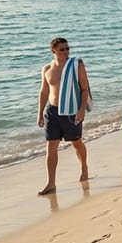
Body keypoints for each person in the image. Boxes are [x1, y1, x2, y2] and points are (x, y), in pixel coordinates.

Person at [36, 37, 90, 195]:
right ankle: (51, 183)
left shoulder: (76, 65)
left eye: (67, 48)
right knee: (51, 146)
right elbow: (44, 91)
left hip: (71, 110)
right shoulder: (47, 69)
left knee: (76, 142)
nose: (66, 52)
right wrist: (39, 113)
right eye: (62, 49)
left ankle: (84, 167)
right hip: (52, 112)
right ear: (53, 51)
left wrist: (81, 110)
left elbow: (84, 89)